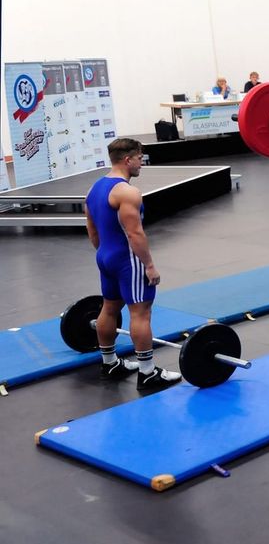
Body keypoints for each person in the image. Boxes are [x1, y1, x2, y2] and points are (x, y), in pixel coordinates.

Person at [84, 138, 181, 390]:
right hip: (128, 260)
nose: (142, 164)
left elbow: (92, 231)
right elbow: (135, 234)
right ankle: (148, 372)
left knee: (109, 308)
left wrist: (106, 255)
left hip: (105, 256)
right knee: (140, 312)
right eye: (139, 158)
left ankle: (110, 362)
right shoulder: (128, 192)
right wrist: (149, 265)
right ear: (127, 159)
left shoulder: (94, 189)